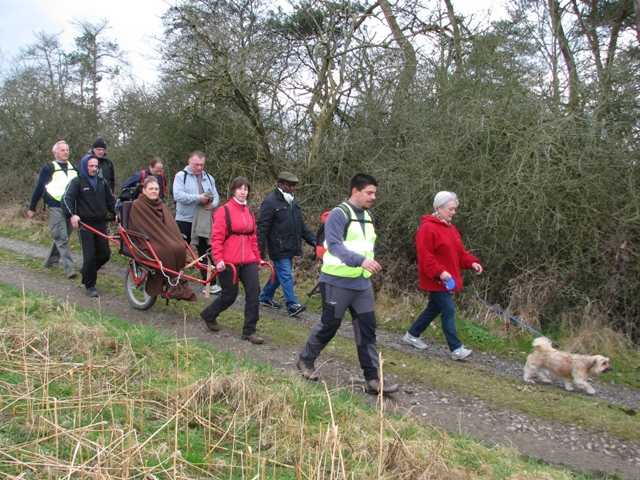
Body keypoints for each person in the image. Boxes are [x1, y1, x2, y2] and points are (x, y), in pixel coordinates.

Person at [297, 173, 399, 395]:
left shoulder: (368, 216)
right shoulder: (338, 214)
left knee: (367, 330)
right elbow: (334, 245)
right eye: (369, 192)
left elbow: (367, 245)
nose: (373, 197)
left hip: (362, 285)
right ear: (355, 191)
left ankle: (373, 380)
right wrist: (361, 260)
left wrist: (368, 262)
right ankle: (305, 360)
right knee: (329, 325)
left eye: (375, 193)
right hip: (336, 281)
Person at [402, 191, 483, 360]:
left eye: (455, 209)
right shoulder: (427, 228)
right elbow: (425, 257)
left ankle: (412, 334)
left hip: (448, 279)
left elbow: (460, 253)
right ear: (439, 208)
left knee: (434, 308)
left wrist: (472, 262)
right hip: (436, 279)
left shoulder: (452, 229)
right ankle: (456, 349)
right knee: (448, 309)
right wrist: (440, 272)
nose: (454, 212)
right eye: (451, 209)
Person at [200, 177, 265, 344]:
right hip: (230, 262)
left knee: (254, 293)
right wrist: (218, 259)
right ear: (233, 191)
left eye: (245, 189)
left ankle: (249, 330)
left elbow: (253, 238)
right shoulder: (224, 211)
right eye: (240, 189)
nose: (243, 192)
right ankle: (209, 314)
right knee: (230, 295)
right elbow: (217, 238)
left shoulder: (249, 213)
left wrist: (258, 259)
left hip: (248, 261)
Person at [127, 177, 196, 301]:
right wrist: (160, 238)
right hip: (147, 239)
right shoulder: (138, 205)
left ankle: (175, 280)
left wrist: (173, 237)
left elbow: (169, 224)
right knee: (167, 250)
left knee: (179, 247)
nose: (154, 191)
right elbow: (140, 225)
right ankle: (170, 282)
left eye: (156, 189)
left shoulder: (160, 204)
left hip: (162, 237)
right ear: (144, 190)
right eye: (151, 189)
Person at [257, 172, 316, 317]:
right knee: (286, 274)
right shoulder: (270, 202)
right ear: (280, 184)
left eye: (294, 185)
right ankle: (292, 304)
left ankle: (265, 297)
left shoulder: (294, 203)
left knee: (279, 274)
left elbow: (300, 226)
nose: (292, 188)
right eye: (290, 185)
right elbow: (262, 229)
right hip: (278, 247)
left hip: (291, 246)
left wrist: (314, 241)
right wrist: (259, 252)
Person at [62, 155, 117, 297]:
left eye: (95, 166)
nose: (93, 169)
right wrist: (72, 215)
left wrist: (117, 213)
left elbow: (111, 201)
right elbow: (66, 200)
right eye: (90, 166)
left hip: (101, 223)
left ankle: (87, 271)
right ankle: (90, 285)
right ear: (84, 166)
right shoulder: (76, 182)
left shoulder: (102, 183)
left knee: (105, 254)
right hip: (84, 225)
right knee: (90, 256)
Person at [27, 140, 78, 278]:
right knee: (60, 236)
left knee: (64, 236)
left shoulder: (74, 167)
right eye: (62, 150)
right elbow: (39, 187)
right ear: (55, 152)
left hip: (70, 207)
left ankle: (51, 261)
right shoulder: (49, 167)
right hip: (55, 205)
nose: (66, 152)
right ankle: (69, 269)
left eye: (67, 150)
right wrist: (32, 208)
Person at [173, 151, 220, 289]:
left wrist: (213, 204)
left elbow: (216, 197)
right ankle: (175, 279)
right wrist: (198, 198)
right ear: (189, 162)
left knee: (206, 251)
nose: (199, 168)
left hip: (203, 221)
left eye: (202, 165)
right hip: (184, 220)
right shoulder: (181, 176)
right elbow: (178, 195)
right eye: (196, 165)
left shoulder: (209, 178)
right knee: (179, 250)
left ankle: (210, 283)